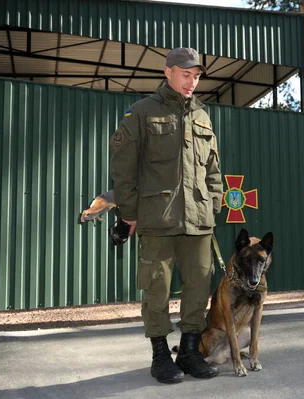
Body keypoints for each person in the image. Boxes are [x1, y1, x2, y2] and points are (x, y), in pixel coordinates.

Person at [110, 47, 223, 384]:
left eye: (197, 75)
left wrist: (212, 203)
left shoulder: (203, 116)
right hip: (156, 216)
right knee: (156, 287)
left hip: (198, 219)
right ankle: (160, 354)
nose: (192, 81)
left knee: (198, 285)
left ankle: (189, 350)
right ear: (168, 72)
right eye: (186, 74)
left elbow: (213, 169)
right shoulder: (141, 113)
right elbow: (123, 169)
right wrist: (129, 213)